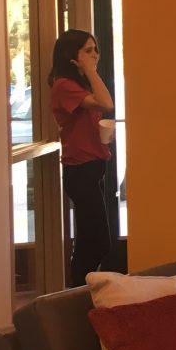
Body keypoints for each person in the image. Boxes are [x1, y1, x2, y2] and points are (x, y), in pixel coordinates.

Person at [48, 29, 115, 286]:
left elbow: (98, 110)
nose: (95, 54)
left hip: (92, 167)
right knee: (97, 244)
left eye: (95, 49)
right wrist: (90, 69)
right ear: (71, 55)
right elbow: (106, 103)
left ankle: (79, 295)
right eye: (88, 50)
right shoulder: (64, 85)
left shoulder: (76, 85)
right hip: (81, 171)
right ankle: (76, 294)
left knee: (91, 241)